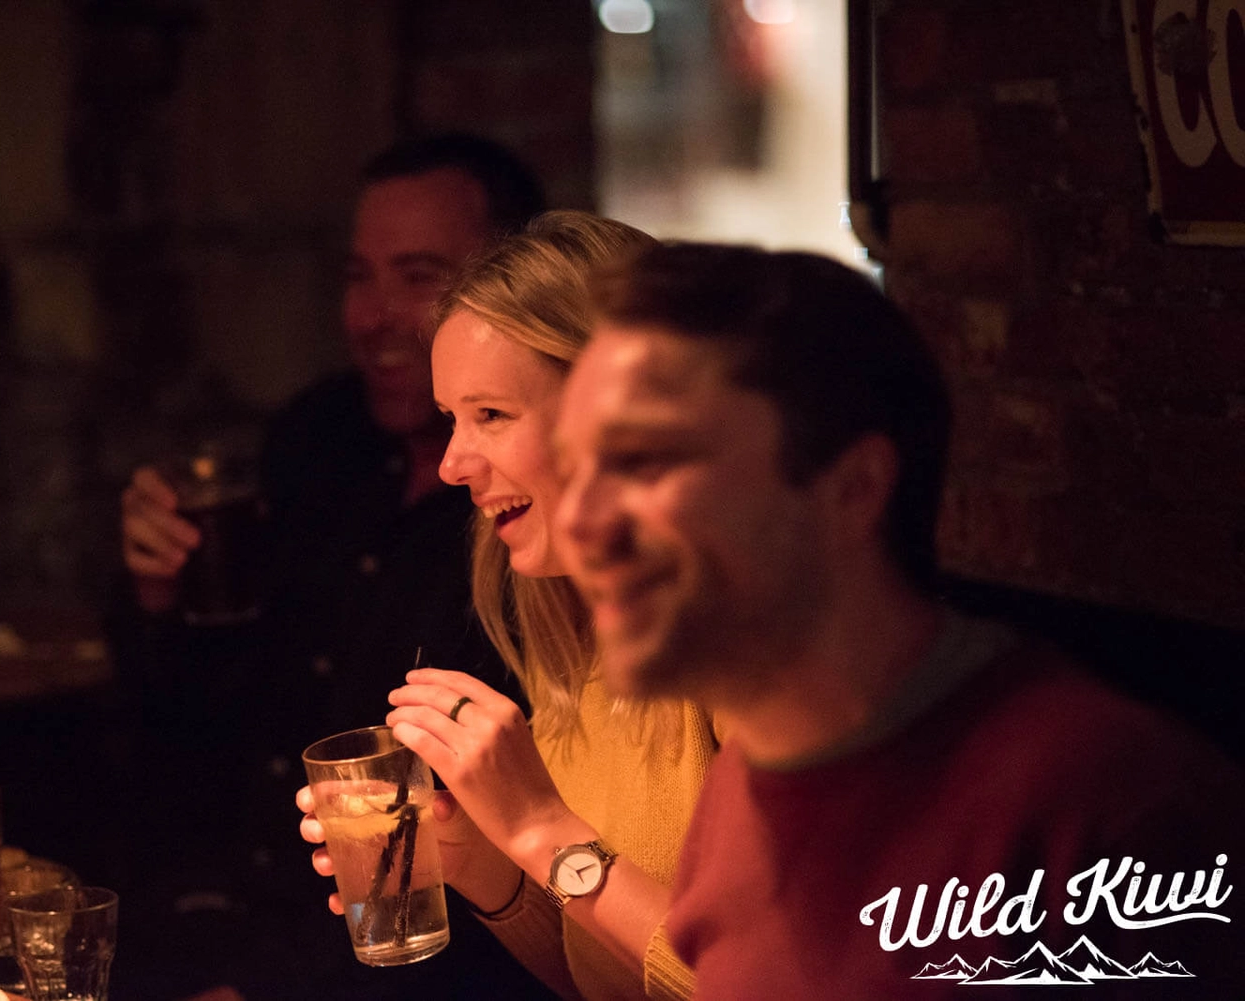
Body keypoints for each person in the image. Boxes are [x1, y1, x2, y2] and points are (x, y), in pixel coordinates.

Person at [551, 243, 1245, 999]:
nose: (577, 521)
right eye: (569, 468)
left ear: (853, 488)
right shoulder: (744, 776)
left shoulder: (1102, 799)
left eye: (644, 459)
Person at [113, 134, 554, 1001]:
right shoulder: (317, 435)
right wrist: (160, 594)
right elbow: (207, 723)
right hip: (220, 917)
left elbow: (475, 879)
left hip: (402, 970)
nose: (372, 316)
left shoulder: (528, 518)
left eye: (418, 275)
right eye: (358, 276)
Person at [300, 212, 716, 1000]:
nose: (453, 464)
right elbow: (602, 976)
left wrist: (541, 827)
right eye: (451, 419)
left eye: (491, 414)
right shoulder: (581, 634)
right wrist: (481, 863)